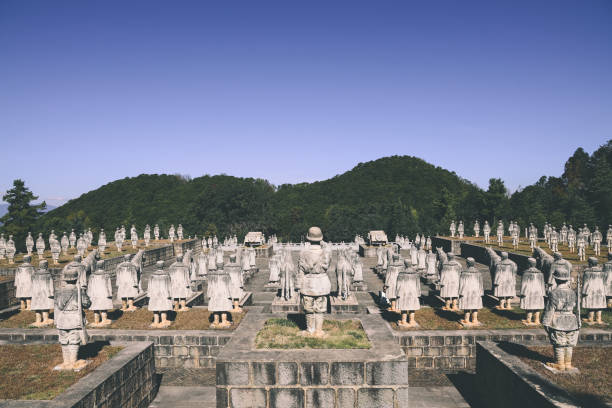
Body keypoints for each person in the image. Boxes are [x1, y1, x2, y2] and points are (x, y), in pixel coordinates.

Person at [541, 265, 579, 371]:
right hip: (571, 319)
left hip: (558, 320)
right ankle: (568, 364)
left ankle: (560, 364)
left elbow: (550, 309)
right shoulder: (572, 292)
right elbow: (575, 306)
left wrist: (545, 322)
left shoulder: (554, 293)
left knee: (559, 343)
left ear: (556, 279)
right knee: (569, 343)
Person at [54, 263, 91, 371]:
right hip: (74, 318)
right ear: (76, 278)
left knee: (64, 340)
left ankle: (66, 362)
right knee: (74, 340)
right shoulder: (79, 291)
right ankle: (73, 361)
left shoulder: (59, 291)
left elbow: (57, 306)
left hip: (62, 319)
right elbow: (87, 304)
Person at [298, 226, 331, 337]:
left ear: (308, 238)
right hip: (322, 282)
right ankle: (319, 330)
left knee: (308, 309)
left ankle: (310, 330)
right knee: (320, 308)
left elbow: (301, 269)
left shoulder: (303, 252)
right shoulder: (326, 252)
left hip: (308, 282)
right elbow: (327, 265)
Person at [519, 258, 545, 325]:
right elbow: (542, 284)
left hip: (529, 291)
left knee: (529, 306)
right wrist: (543, 293)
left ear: (529, 264)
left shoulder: (526, 273)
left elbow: (524, 283)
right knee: (537, 306)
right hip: (538, 291)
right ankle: (537, 320)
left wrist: (522, 292)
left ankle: (528, 320)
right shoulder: (540, 273)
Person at [458, 258, 483, 326]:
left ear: (467, 263)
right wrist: (481, 292)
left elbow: (461, 283)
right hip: (476, 292)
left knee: (467, 307)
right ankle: (474, 320)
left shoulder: (464, 273)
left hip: (466, 291)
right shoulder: (478, 273)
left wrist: (460, 292)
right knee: (475, 307)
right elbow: (481, 284)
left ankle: (466, 320)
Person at [396, 259, 421, 327]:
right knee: (412, 307)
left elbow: (398, 284)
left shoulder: (401, 274)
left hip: (404, 292)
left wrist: (397, 293)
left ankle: (403, 321)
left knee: (404, 307)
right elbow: (418, 285)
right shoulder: (415, 274)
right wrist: (418, 293)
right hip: (413, 292)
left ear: (405, 264)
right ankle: (411, 321)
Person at [582, 257, 606, 325]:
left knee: (591, 305)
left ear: (590, 263)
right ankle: (599, 319)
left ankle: (590, 318)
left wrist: (584, 291)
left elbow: (586, 282)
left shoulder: (587, 272)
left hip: (590, 290)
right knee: (599, 304)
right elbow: (604, 281)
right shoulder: (602, 271)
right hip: (600, 290)